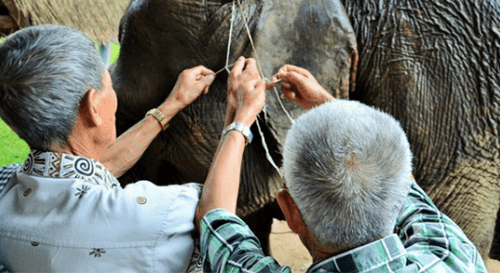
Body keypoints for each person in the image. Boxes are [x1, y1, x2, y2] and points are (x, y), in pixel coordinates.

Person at [195, 57, 487, 272]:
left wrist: (238, 119)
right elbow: (403, 184)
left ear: (291, 212)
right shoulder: (450, 258)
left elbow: (214, 219)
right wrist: (328, 105)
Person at [0, 24, 215, 272]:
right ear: (93, 105)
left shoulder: (5, 185)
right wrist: (240, 120)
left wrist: (173, 104)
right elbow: (216, 215)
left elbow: (94, 170)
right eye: (109, 86)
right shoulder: (150, 218)